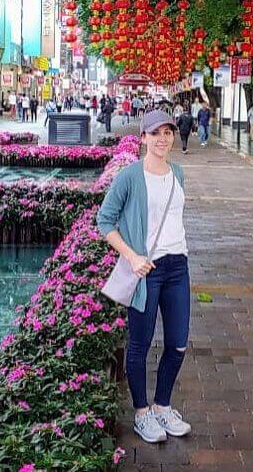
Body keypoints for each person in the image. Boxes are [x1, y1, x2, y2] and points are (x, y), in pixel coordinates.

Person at [96, 110, 192, 445]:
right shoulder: (130, 176)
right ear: (143, 138)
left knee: (178, 342)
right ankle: (141, 413)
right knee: (140, 344)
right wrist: (132, 256)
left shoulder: (178, 173)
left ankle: (162, 405)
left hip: (178, 266)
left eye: (168, 132)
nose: (163, 139)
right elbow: (104, 220)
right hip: (147, 271)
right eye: (155, 133)